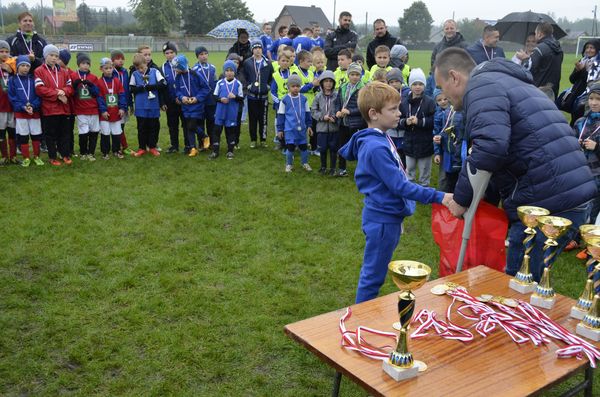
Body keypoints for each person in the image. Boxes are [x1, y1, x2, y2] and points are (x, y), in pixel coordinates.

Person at [435, 48, 596, 283]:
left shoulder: (480, 87)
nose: (443, 95)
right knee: (528, 284)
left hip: (547, 202)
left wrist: (460, 200)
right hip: (565, 192)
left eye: (441, 87)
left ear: (454, 77)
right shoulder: (505, 82)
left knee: (517, 288)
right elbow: (499, 154)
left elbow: (490, 147)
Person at [338, 82, 451, 303]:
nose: (399, 113)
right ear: (374, 113)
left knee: (374, 272)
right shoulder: (375, 147)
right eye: (393, 109)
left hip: (386, 216)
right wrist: (441, 196)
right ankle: (362, 320)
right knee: (373, 276)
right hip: (382, 221)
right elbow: (401, 186)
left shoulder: (380, 137)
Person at [35, 44, 73, 166]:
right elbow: (40, 89)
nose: (54, 58)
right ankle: (52, 157)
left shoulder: (63, 71)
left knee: (64, 134)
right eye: (51, 55)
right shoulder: (39, 71)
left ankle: (65, 154)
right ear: (45, 56)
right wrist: (57, 94)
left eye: (56, 56)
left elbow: (70, 87)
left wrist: (64, 92)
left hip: (63, 108)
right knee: (50, 135)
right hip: (49, 109)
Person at [400, 68, 435, 186]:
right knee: (409, 169)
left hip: (425, 143)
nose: (417, 87)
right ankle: (410, 190)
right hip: (409, 142)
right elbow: (398, 121)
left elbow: (434, 121)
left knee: (424, 170)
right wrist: (406, 122)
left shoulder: (429, 102)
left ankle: (424, 190)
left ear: (424, 85)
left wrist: (419, 122)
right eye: (414, 84)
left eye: (420, 84)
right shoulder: (404, 103)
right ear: (410, 85)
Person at [129, 53, 166, 157]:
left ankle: (152, 147)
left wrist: (151, 87)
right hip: (141, 106)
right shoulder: (135, 74)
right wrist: (141, 88)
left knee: (154, 127)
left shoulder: (155, 72)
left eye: (141, 67)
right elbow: (131, 88)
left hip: (153, 106)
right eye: (137, 68)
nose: (140, 70)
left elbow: (163, 84)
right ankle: (142, 148)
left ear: (146, 63)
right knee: (141, 128)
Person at [9, 55, 42, 166]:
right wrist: (23, 107)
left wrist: (33, 106)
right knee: (23, 136)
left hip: (34, 112)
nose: (25, 68)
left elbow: (39, 96)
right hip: (21, 113)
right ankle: (26, 157)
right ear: (17, 67)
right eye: (22, 65)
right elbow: (12, 98)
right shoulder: (13, 80)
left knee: (36, 135)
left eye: (27, 65)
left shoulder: (33, 79)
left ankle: (37, 156)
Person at [574, 83, 600, 224]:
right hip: (580, 170)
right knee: (578, 204)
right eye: (591, 98)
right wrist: (574, 144)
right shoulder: (580, 122)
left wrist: (597, 147)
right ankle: (575, 236)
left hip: (597, 174)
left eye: (598, 99)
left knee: (593, 207)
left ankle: (590, 237)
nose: (594, 103)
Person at [173, 55, 208, 158]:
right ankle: (193, 148)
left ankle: (204, 136)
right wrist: (181, 97)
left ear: (183, 66)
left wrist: (197, 98)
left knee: (191, 125)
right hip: (185, 106)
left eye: (177, 68)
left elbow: (206, 88)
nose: (175, 70)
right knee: (189, 127)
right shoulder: (178, 77)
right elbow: (177, 91)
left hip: (196, 106)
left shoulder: (195, 74)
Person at [276, 74, 312, 172]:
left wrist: (309, 125)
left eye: (298, 86)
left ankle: (305, 163)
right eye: (293, 86)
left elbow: (308, 113)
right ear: (288, 87)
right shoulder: (284, 100)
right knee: (290, 147)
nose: (295, 88)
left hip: (302, 128)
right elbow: (281, 115)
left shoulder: (304, 99)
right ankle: (289, 165)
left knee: (303, 147)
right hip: (289, 129)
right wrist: (280, 129)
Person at [335, 62, 366, 177]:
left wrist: (350, 111)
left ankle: (361, 170)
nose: (354, 77)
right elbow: (338, 102)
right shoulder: (343, 87)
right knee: (342, 146)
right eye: (352, 74)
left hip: (356, 123)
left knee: (358, 147)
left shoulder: (363, 89)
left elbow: (364, 107)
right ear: (348, 75)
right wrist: (337, 111)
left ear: (360, 76)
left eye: (357, 74)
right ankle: (342, 169)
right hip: (343, 122)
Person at [432, 88, 465, 193]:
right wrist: (439, 139)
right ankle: (443, 201)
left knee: (460, 180)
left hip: (461, 153)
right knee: (446, 178)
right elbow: (443, 131)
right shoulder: (447, 112)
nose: (443, 101)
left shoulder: (465, 112)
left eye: (446, 98)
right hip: (448, 152)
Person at [242, 40, 273, 148]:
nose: (257, 50)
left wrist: (268, 86)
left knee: (263, 119)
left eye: (259, 48)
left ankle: (263, 139)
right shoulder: (247, 62)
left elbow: (271, 77)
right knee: (253, 119)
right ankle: (253, 139)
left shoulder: (268, 63)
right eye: (255, 48)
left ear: (262, 49)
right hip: (252, 97)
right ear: (252, 50)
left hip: (263, 97)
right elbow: (244, 76)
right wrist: (248, 85)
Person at [210, 60, 243, 160]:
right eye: (227, 70)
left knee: (230, 132)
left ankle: (230, 151)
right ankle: (215, 151)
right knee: (217, 131)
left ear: (234, 72)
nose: (229, 72)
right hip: (220, 112)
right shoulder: (220, 83)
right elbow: (214, 96)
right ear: (224, 72)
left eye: (231, 70)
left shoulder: (238, 84)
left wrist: (235, 96)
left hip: (231, 113)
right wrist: (220, 99)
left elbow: (241, 98)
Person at [70, 52, 100, 160]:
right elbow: (70, 93)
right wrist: (74, 85)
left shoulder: (93, 77)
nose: (85, 65)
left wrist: (91, 85)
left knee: (94, 131)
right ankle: (83, 153)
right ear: (78, 64)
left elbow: (97, 93)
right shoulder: (73, 76)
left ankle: (91, 153)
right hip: (81, 109)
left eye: (88, 63)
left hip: (93, 109)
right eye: (83, 63)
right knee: (83, 132)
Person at [96, 57, 127, 159]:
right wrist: (103, 110)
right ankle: (105, 152)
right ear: (101, 69)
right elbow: (99, 98)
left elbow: (122, 95)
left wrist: (122, 108)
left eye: (110, 68)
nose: (109, 70)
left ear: (113, 68)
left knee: (117, 132)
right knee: (105, 133)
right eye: (106, 68)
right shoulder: (99, 82)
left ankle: (116, 150)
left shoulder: (117, 81)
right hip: (105, 113)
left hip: (116, 112)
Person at [428, 19, 467, 97]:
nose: (449, 30)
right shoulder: (438, 47)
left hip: (457, 84)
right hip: (440, 85)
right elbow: (433, 64)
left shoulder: (464, 46)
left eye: (452, 28)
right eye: (447, 28)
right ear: (444, 30)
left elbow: (467, 65)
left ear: (456, 29)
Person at [311, 70, 340, 175]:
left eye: (330, 81)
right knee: (322, 148)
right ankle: (323, 167)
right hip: (322, 128)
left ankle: (333, 168)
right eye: (326, 81)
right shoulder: (318, 96)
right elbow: (313, 110)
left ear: (333, 83)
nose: (328, 84)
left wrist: (335, 117)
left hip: (334, 128)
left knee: (333, 148)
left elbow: (340, 109)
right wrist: (323, 117)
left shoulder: (337, 96)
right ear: (322, 83)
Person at [162, 41, 187, 154]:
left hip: (183, 100)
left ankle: (189, 145)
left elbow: (187, 83)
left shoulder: (183, 64)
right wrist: (164, 102)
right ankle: (174, 145)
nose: (169, 55)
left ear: (175, 53)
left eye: (171, 52)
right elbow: (163, 87)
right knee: (172, 125)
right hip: (171, 102)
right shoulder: (162, 67)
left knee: (186, 124)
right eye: (167, 53)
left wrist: (182, 97)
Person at [529, 22, 564, 100]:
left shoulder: (539, 48)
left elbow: (530, 69)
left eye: (535, 33)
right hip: (553, 91)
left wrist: (525, 59)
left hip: (539, 91)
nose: (535, 36)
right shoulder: (559, 49)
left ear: (540, 34)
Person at [192, 46, 217, 152]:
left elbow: (215, 82)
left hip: (211, 100)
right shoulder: (194, 69)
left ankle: (211, 142)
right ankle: (202, 143)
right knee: (200, 122)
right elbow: (194, 85)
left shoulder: (212, 68)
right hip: (200, 101)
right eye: (201, 54)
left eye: (205, 54)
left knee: (211, 122)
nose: (204, 56)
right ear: (197, 57)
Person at [111, 50, 133, 155]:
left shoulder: (125, 72)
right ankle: (122, 146)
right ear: (112, 60)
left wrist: (130, 103)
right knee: (117, 126)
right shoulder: (111, 72)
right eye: (118, 58)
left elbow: (127, 89)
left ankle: (121, 146)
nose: (121, 61)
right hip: (115, 104)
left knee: (122, 126)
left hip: (124, 103)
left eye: (122, 58)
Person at [271, 47, 294, 149]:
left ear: (290, 62)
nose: (285, 63)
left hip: (292, 102)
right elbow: (273, 91)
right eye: (283, 60)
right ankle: (280, 141)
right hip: (280, 103)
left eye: (287, 61)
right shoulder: (275, 75)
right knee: (279, 122)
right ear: (278, 62)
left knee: (291, 122)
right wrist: (278, 102)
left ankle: (292, 141)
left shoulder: (293, 74)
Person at [385, 67, 408, 167]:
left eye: (397, 81)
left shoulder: (407, 93)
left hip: (403, 131)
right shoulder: (385, 94)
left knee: (403, 154)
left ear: (401, 81)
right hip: (391, 130)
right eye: (392, 82)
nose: (394, 84)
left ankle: (403, 174)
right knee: (391, 153)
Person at [0, 40, 16, 164]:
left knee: (12, 131)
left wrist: (12, 71)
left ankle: (13, 156)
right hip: (1, 106)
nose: (4, 54)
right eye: (1, 51)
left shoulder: (13, 65)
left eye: (7, 51)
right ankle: (4, 156)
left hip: (12, 105)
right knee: (1, 132)